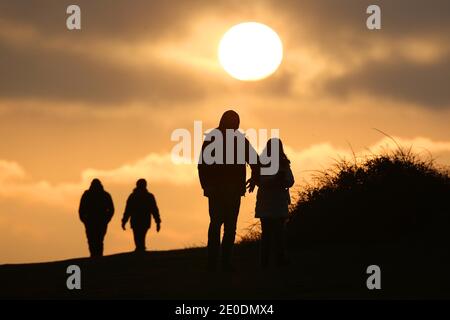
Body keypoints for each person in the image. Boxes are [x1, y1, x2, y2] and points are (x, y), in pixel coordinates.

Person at [198, 110, 259, 271]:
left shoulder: (235, 139)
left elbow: (255, 161)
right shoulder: (220, 138)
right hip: (218, 190)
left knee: (225, 225)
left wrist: (254, 178)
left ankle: (222, 263)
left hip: (227, 190)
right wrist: (206, 186)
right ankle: (217, 263)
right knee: (221, 225)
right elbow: (202, 165)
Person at [255, 138, 294, 268]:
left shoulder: (284, 164)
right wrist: (274, 179)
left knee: (279, 235)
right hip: (267, 203)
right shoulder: (262, 164)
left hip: (279, 202)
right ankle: (264, 262)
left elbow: (290, 180)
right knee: (267, 234)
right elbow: (260, 181)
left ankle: (279, 261)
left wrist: (281, 180)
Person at [121, 179, 161, 252]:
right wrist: (157, 222)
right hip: (143, 220)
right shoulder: (148, 196)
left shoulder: (133, 196)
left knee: (138, 235)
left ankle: (140, 248)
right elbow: (154, 210)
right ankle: (141, 248)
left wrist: (124, 221)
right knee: (140, 235)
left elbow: (128, 210)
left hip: (137, 220)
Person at [79, 179, 115, 257]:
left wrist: (107, 219)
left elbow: (111, 209)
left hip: (98, 221)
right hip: (92, 221)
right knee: (94, 239)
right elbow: (81, 209)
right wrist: (84, 220)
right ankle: (95, 255)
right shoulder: (103, 195)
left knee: (97, 239)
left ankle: (97, 255)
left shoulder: (89, 195)